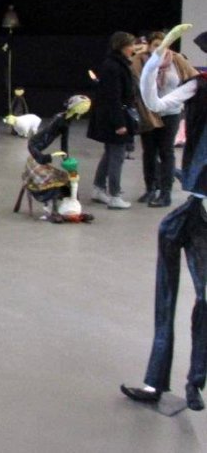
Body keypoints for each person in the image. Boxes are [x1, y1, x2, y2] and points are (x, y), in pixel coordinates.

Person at [121, 24, 207, 412]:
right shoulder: (199, 85)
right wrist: (156, 59)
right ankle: (156, 381)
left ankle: (195, 380)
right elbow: (154, 102)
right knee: (169, 287)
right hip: (195, 206)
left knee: (205, 298)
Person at [130, 31, 199, 207]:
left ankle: (165, 193)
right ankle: (150, 188)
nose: (160, 49)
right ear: (149, 46)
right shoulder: (140, 60)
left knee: (166, 152)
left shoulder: (176, 59)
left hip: (171, 113)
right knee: (149, 152)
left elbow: (194, 78)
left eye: (164, 45)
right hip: (148, 114)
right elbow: (134, 83)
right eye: (156, 46)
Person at [87, 31, 137, 209]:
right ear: (122, 46)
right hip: (114, 118)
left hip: (113, 116)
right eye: (131, 45)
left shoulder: (116, 64)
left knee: (110, 153)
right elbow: (113, 97)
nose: (133, 48)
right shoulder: (114, 67)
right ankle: (115, 195)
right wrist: (120, 124)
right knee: (117, 155)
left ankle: (98, 188)